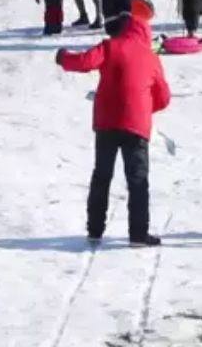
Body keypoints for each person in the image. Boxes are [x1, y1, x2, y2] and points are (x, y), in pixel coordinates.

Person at [56, 15, 171, 246]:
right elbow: (164, 97)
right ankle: (138, 234)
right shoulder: (151, 58)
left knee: (102, 176)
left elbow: (84, 62)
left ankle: (95, 230)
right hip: (136, 126)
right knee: (138, 180)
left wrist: (63, 58)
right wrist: (144, 108)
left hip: (106, 123)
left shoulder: (110, 46)